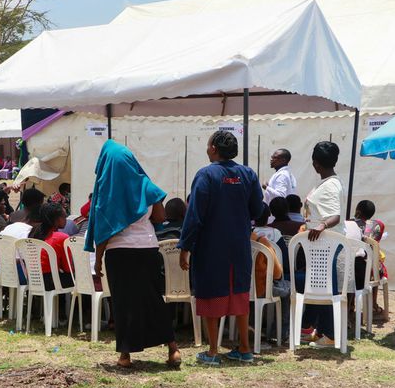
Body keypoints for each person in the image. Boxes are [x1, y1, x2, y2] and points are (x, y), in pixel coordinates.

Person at [86, 140, 180, 369]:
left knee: (123, 302)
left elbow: (103, 228)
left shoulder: (106, 188)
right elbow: (160, 216)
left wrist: (98, 259)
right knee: (153, 298)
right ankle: (173, 348)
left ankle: (125, 355)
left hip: (119, 252)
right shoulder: (144, 183)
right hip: (147, 247)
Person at [178, 131, 265, 365]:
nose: (207, 149)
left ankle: (213, 352)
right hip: (239, 245)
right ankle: (245, 349)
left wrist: (185, 246)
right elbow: (258, 209)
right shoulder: (248, 174)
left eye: (208, 145)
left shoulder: (206, 175)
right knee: (239, 292)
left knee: (210, 293)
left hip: (211, 245)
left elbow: (194, 215)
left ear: (214, 148)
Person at [298, 141, 345, 348]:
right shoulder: (327, 182)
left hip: (325, 245)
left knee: (327, 290)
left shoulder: (331, 186)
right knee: (320, 288)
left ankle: (331, 334)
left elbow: (335, 215)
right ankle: (319, 330)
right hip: (318, 246)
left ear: (315, 164)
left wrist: (322, 225)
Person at [29, 202, 74, 290]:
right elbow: (67, 269)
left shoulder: (34, 233)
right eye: (64, 216)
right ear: (56, 219)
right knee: (79, 280)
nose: (66, 219)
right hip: (51, 282)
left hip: (33, 279)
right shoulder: (61, 237)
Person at [354, 200, 386, 316]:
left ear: (357, 211)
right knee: (376, 264)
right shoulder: (378, 225)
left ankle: (351, 305)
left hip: (353, 267)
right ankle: (373, 303)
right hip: (371, 270)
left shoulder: (350, 224)